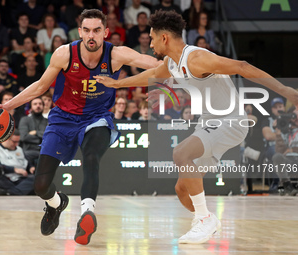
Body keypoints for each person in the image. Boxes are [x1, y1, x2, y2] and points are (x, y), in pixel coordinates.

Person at [95, 10, 298, 244]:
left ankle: (204, 219)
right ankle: (207, 220)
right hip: (210, 122)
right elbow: (153, 74)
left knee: (180, 153)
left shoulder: (196, 58)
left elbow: (241, 66)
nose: (149, 43)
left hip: (230, 120)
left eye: (151, 38)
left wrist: (286, 91)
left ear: (164, 38)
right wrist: (118, 83)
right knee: (182, 189)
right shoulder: (172, 62)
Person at [0, 9, 159, 245]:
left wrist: (173, 75)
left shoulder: (117, 54)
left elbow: (157, 64)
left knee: (92, 157)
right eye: (86, 30)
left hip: (97, 117)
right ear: (80, 32)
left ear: (105, 32)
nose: (91, 35)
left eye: (97, 30)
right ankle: (56, 204)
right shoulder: (64, 54)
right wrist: (7, 105)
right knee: (41, 185)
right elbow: (40, 86)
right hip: (63, 117)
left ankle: (87, 213)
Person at [0, 130, 35, 196]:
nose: (16, 144)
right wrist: (14, 169)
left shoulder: (19, 149)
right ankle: (20, 191)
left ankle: (9, 192)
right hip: (5, 178)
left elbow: (26, 162)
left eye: (18, 142)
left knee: (36, 180)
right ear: (6, 139)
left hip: (20, 179)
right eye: (14, 142)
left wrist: (31, 167)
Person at [272, 108, 298, 196]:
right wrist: (278, 134)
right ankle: (287, 185)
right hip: (288, 160)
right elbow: (279, 151)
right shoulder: (285, 131)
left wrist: (292, 150)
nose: (296, 118)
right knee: (277, 157)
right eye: (294, 116)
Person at [18, 97, 48, 166]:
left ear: (43, 106)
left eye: (40, 104)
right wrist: (41, 139)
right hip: (28, 151)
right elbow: (23, 137)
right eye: (35, 104)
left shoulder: (48, 121)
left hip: (44, 151)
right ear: (30, 107)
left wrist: (36, 132)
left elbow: (50, 137)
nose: (38, 106)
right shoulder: (25, 120)